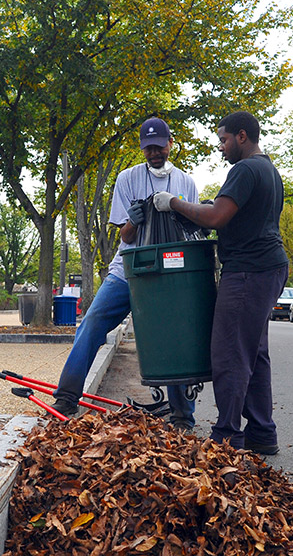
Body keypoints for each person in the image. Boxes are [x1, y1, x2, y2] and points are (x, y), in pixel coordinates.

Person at [51, 117, 199, 431]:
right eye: (148, 148)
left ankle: (182, 415)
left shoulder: (186, 183)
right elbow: (125, 236)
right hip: (129, 269)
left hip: (169, 275)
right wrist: (134, 219)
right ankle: (67, 396)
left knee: (173, 338)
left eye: (159, 146)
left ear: (170, 143)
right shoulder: (128, 178)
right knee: (92, 322)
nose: (154, 153)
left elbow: (192, 230)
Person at [152, 111, 287, 455]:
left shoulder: (244, 169)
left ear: (242, 136)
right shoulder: (269, 170)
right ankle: (261, 433)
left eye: (224, 140)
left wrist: (175, 203)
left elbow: (215, 219)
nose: (221, 148)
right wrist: (210, 207)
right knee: (254, 352)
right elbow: (240, 216)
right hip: (268, 267)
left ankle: (226, 435)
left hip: (247, 271)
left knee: (229, 352)